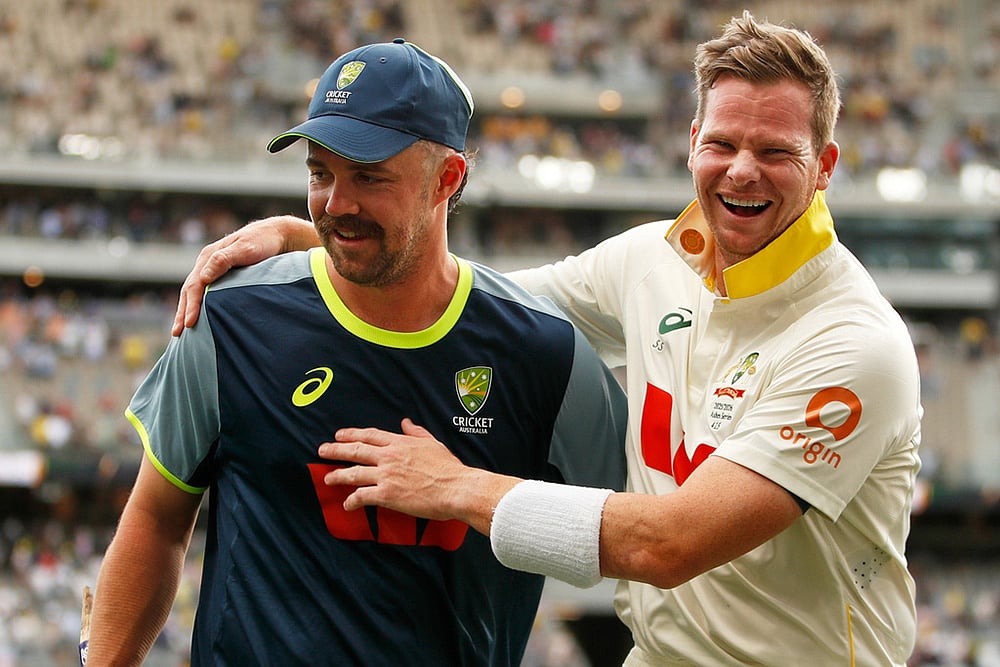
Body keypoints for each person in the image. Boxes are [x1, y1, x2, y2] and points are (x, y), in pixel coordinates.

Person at [173, 13, 923, 666]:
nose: (743, 170)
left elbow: (670, 545)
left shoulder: (855, 343)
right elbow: (471, 302)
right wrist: (318, 234)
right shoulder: (648, 261)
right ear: (692, 143)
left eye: (778, 152)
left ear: (824, 167)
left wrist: (457, 486)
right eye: (723, 142)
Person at [88, 39, 628, 666]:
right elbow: (156, 518)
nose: (335, 204)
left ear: (446, 179)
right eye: (320, 173)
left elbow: (633, 529)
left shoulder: (544, 351)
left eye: (368, 177)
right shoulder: (231, 316)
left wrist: (470, 492)